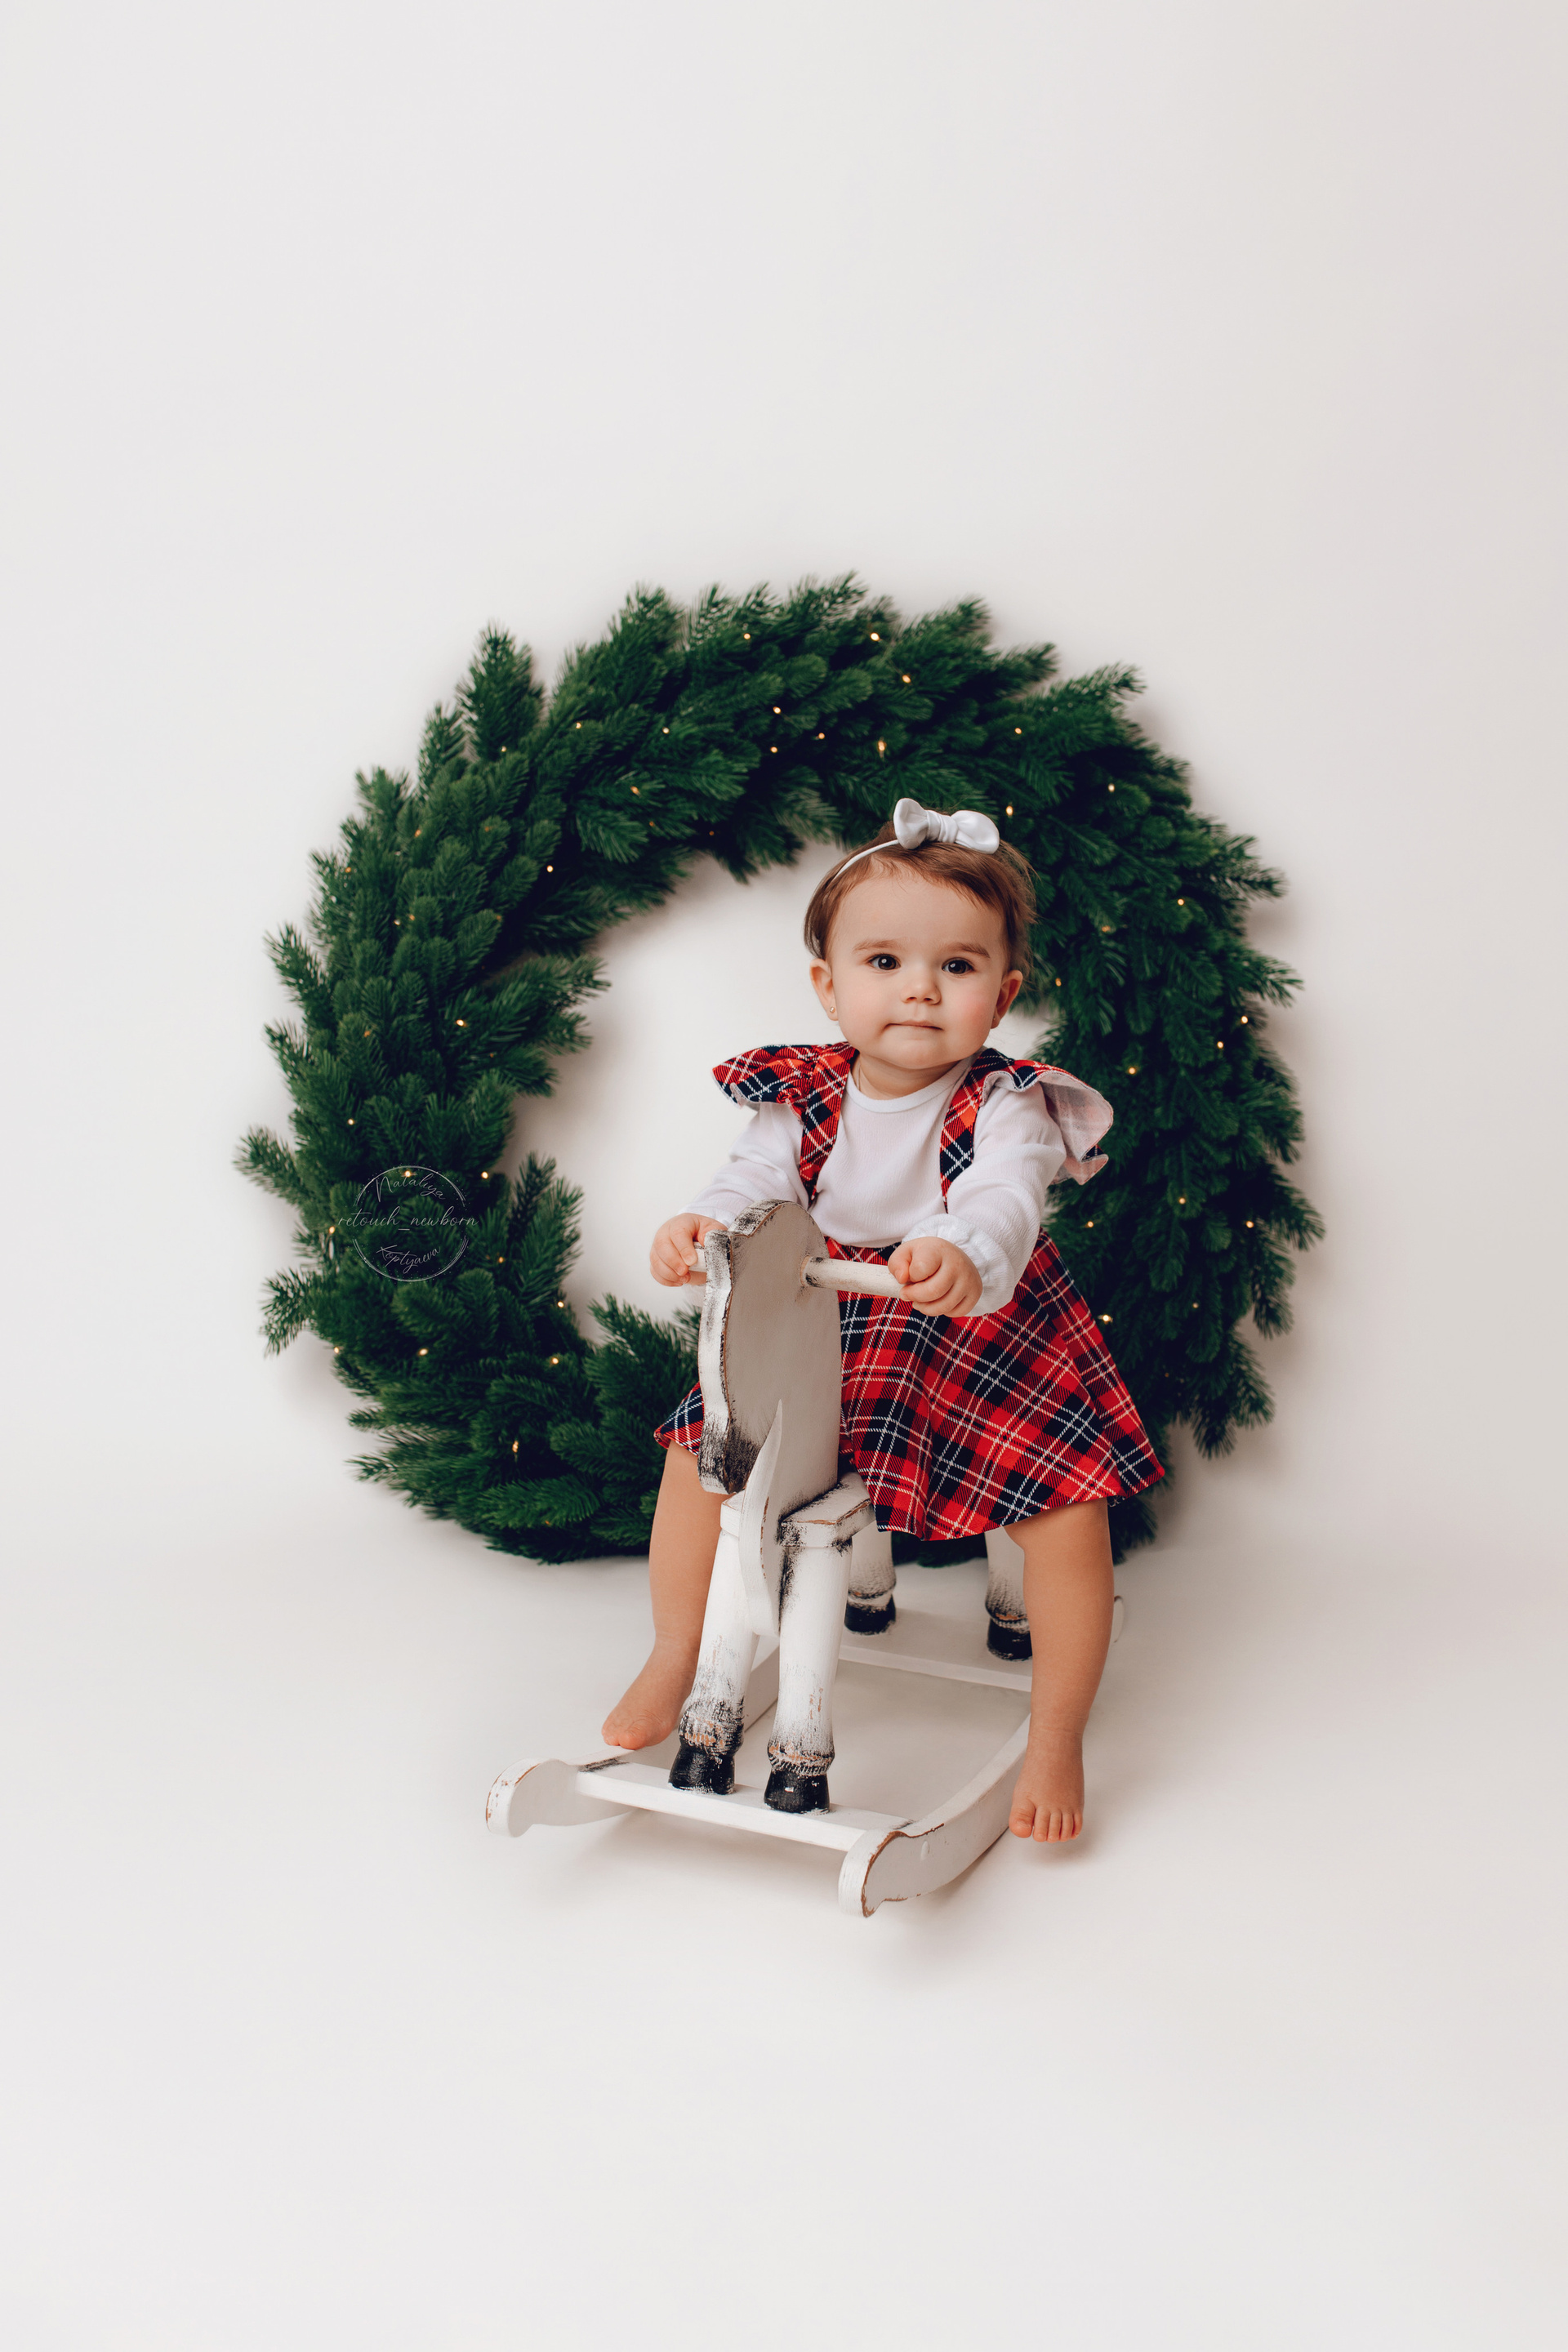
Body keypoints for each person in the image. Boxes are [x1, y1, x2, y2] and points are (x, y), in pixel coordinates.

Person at [602, 798, 1164, 1843]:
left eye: (957, 966)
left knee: (1066, 1513)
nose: (919, 988)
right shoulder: (801, 1092)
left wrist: (962, 1250)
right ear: (830, 984)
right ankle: (676, 1651)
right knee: (696, 1452)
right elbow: (753, 1182)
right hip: (832, 1318)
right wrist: (705, 1228)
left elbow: (1005, 1196)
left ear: (1004, 994)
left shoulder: (1009, 1102)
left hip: (976, 1322)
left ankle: (1057, 1733)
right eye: (885, 962)